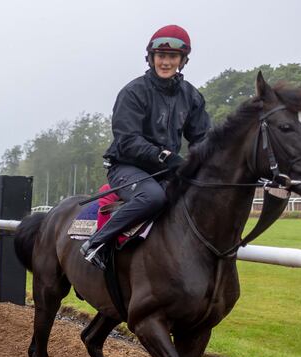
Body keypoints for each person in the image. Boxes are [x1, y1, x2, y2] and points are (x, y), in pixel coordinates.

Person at [79, 25, 211, 270]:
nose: (166, 62)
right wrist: (164, 156)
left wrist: (206, 165)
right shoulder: (133, 92)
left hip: (165, 169)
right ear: (151, 58)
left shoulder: (192, 97)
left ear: (182, 60)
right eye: (161, 56)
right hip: (127, 167)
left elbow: (202, 138)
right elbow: (127, 140)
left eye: (172, 57)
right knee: (153, 196)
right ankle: (96, 243)